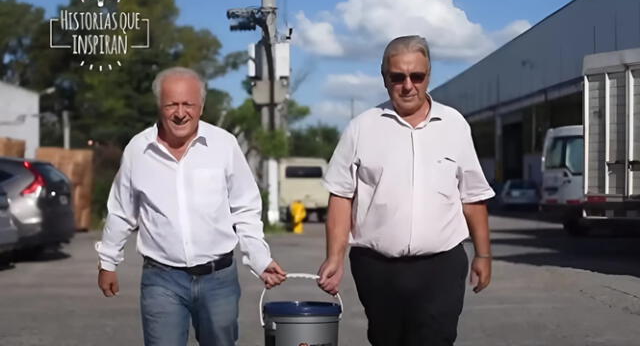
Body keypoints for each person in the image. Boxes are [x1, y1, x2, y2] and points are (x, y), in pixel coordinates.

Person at [317, 35, 495, 346]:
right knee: (387, 340)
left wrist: (483, 254)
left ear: (428, 76)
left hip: (441, 266)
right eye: (397, 77)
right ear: (384, 77)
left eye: (417, 76)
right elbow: (341, 195)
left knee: (435, 339)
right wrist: (335, 256)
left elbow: (472, 196)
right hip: (377, 268)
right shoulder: (362, 127)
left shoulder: (454, 124)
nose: (408, 85)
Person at [96, 66, 286, 346]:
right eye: (172, 104)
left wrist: (258, 257)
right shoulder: (138, 149)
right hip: (162, 279)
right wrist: (107, 262)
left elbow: (245, 208)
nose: (180, 112)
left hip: (218, 279)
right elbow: (122, 211)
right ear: (159, 106)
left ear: (202, 106)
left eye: (188, 104)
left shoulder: (224, 144)